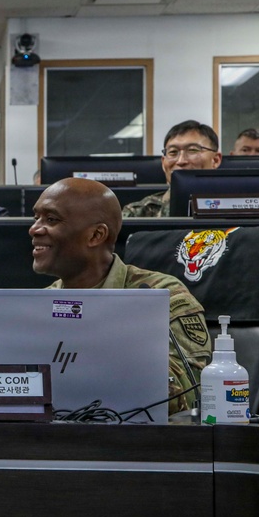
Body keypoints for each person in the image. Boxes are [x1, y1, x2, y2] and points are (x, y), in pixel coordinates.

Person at [30, 177, 211, 414]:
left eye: (51, 219)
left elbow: (192, 389)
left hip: (138, 440)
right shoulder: (40, 303)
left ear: (96, 236)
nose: (34, 229)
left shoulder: (160, 295)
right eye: (37, 218)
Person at [122, 120, 222, 218]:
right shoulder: (137, 213)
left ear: (215, 160)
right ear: (163, 163)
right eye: (173, 152)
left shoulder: (232, 208)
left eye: (192, 150)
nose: (181, 161)